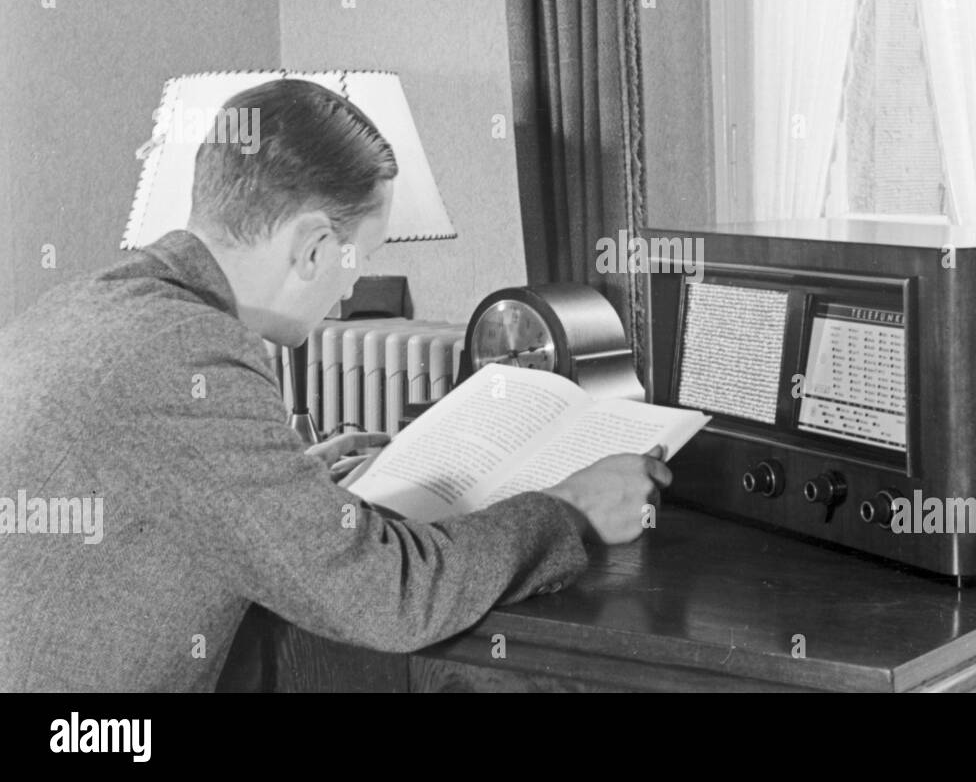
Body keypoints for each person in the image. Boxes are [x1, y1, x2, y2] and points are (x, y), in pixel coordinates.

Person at [0, 78, 669, 691]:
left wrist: (290, 482)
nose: (351, 284)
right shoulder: (192, 353)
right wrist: (569, 506)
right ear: (315, 246)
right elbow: (391, 599)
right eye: (361, 257)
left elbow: (160, 497)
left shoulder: (78, 303)